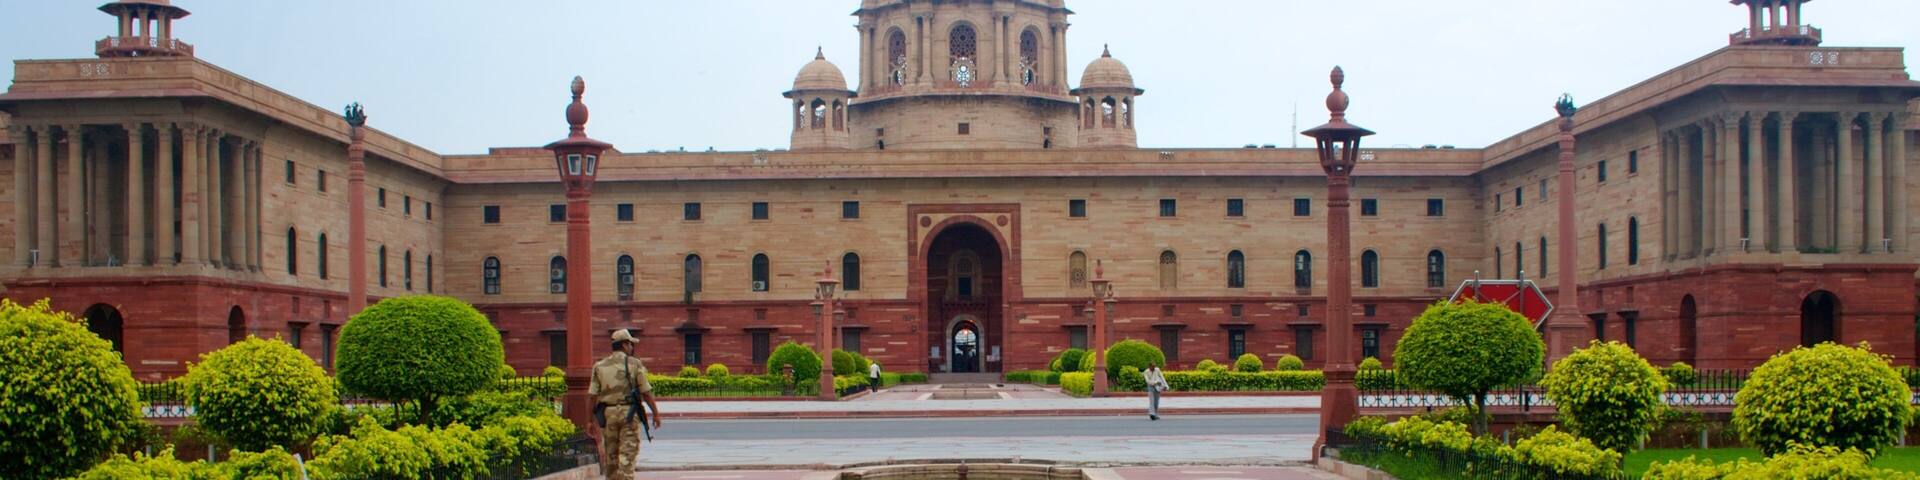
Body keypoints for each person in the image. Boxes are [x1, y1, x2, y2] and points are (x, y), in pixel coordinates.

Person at [589, 329, 662, 480]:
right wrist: (655, 413)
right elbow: (646, 392)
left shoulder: (599, 366)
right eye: (630, 344)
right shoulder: (634, 363)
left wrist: (589, 420)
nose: (631, 347)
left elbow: (592, 396)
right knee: (627, 457)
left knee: (611, 459)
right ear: (624, 345)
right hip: (629, 413)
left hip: (608, 414)